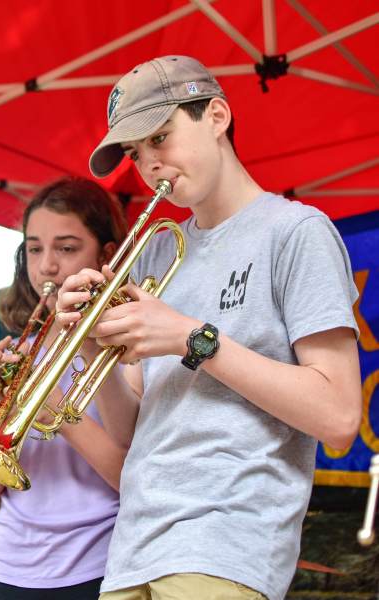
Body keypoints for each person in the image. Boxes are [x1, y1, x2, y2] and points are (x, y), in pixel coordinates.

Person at [55, 55, 361, 600]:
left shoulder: (296, 231)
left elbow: (338, 418)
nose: (150, 165)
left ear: (217, 116)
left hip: (228, 544)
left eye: (161, 138)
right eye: (136, 153)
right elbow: (130, 432)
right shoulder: (154, 253)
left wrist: (192, 338)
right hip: (133, 548)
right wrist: (93, 346)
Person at [0, 177, 127, 600]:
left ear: (107, 254)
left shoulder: (132, 351)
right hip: (4, 564)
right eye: (35, 248)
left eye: (67, 247)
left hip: (95, 566)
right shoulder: (19, 351)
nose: (46, 266)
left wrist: (52, 406)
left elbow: (130, 478)